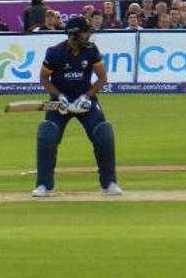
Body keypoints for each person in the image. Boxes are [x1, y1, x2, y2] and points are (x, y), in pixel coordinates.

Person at [32, 16, 121, 198]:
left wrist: (86, 97)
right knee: (47, 134)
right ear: (74, 34)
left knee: (103, 132)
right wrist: (59, 97)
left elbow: (102, 79)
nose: (88, 36)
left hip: (84, 101)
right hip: (61, 102)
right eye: (85, 32)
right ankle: (44, 185)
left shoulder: (91, 50)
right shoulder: (55, 52)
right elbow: (43, 78)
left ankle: (109, 183)